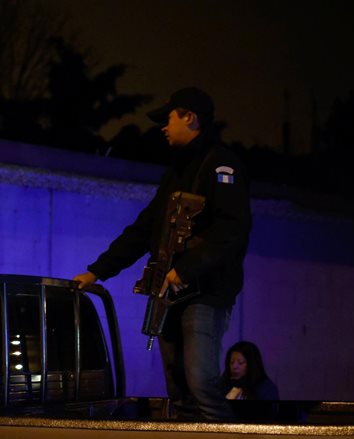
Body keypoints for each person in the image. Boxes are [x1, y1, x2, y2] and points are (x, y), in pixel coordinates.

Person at [74, 86, 251, 421]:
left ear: (190, 117)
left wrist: (186, 270)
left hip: (205, 293)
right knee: (179, 385)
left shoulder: (221, 164)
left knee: (200, 382)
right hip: (170, 294)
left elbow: (232, 231)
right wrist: (97, 271)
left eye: (168, 118)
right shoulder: (177, 172)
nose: (163, 127)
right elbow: (144, 230)